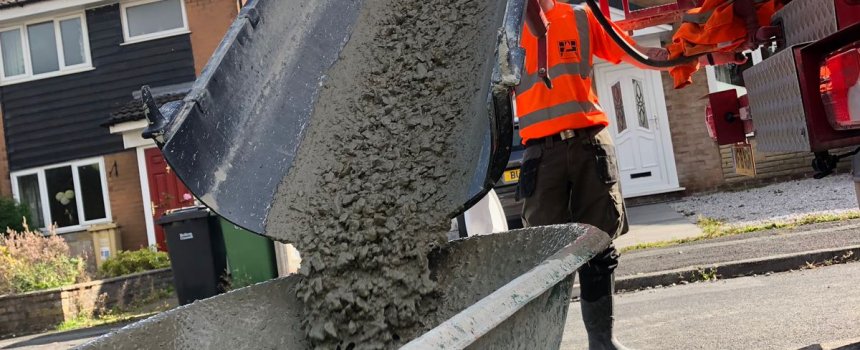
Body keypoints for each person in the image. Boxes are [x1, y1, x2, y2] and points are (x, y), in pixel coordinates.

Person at [515, 1, 674, 349]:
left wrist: (683, 55)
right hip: (541, 153)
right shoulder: (506, 25)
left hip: (589, 144)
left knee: (599, 246)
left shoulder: (580, 18)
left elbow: (628, 49)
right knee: (543, 257)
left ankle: (603, 343)